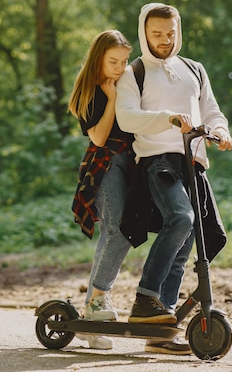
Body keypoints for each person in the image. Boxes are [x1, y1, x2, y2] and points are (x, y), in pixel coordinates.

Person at [115, 3, 232, 355]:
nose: (165, 40)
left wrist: (221, 130)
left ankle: (160, 326)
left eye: (170, 33)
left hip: (192, 161)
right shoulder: (134, 72)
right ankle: (145, 299)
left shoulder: (194, 69)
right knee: (181, 218)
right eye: (157, 35)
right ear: (144, 33)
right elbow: (127, 118)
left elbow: (211, 109)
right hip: (157, 160)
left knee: (188, 238)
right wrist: (168, 118)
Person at [69, 29, 134, 350]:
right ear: (98, 59)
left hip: (130, 163)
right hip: (104, 164)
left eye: (124, 61)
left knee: (114, 232)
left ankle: (90, 317)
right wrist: (111, 99)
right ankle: (97, 302)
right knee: (116, 231)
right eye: (113, 62)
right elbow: (98, 137)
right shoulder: (91, 92)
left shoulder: (125, 82)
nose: (120, 68)